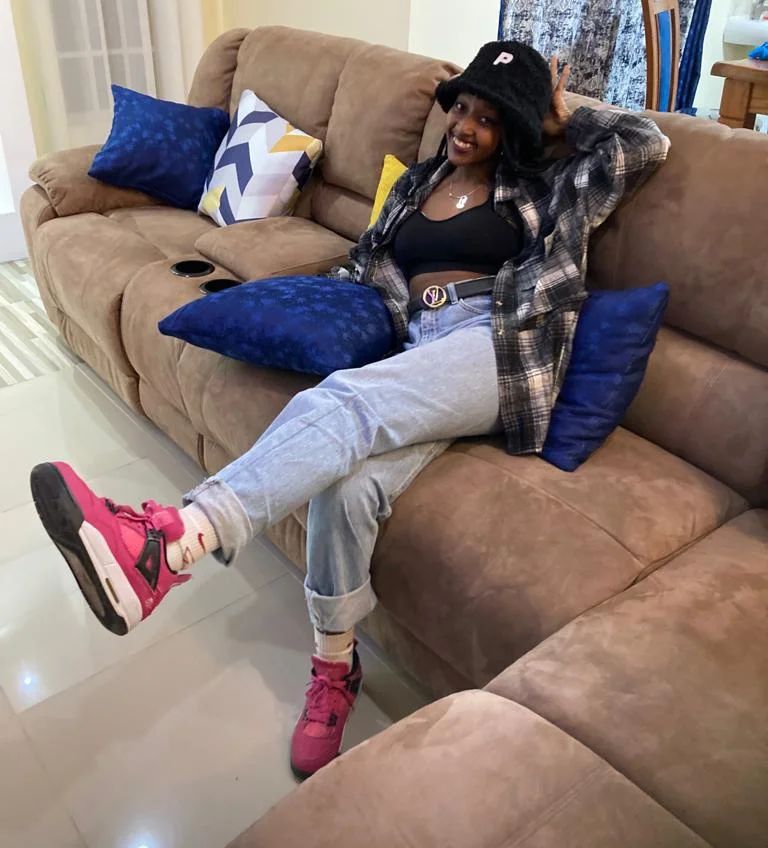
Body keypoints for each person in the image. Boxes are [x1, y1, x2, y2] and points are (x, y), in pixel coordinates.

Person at [29, 40, 670, 779]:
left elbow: (644, 145)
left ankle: (173, 540)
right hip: (420, 345)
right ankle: (335, 670)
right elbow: (367, 269)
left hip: (495, 347)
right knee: (349, 484)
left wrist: (562, 118)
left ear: (516, 129)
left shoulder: (549, 186)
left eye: (490, 118)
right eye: (461, 107)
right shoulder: (418, 183)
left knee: (345, 400)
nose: (465, 126)